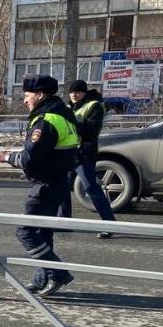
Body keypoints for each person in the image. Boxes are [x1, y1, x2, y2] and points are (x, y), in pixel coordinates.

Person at [0, 75, 80, 297]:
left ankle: (58, 273)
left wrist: (6, 158)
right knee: (42, 232)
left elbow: (31, 159)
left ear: (40, 95)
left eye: (27, 95)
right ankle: (42, 279)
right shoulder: (63, 114)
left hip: (46, 184)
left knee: (26, 231)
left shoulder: (46, 120)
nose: (25, 100)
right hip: (58, 181)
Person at [59, 80, 116, 238]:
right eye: (71, 92)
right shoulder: (69, 107)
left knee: (91, 188)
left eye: (77, 92)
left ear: (84, 92)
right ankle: (63, 223)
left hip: (84, 153)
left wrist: (71, 120)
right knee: (62, 187)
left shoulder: (94, 106)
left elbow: (91, 130)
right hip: (68, 152)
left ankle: (109, 224)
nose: (74, 95)